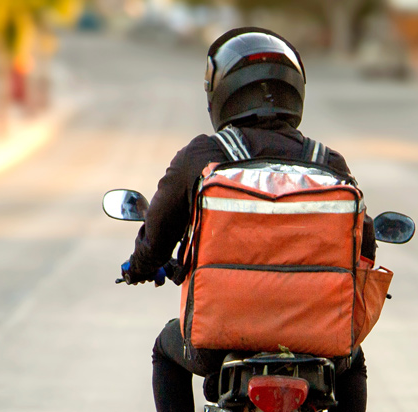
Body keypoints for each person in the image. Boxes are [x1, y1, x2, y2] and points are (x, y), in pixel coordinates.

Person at [121, 27, 377, 412]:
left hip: (217, 342)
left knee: (165, 350)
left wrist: (141, 266)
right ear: (295, 91)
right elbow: (364, 246)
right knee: (352, 360)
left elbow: (158, 232)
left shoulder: (202, 155)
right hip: (318, 342)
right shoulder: (328, 164)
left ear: (221, 93)